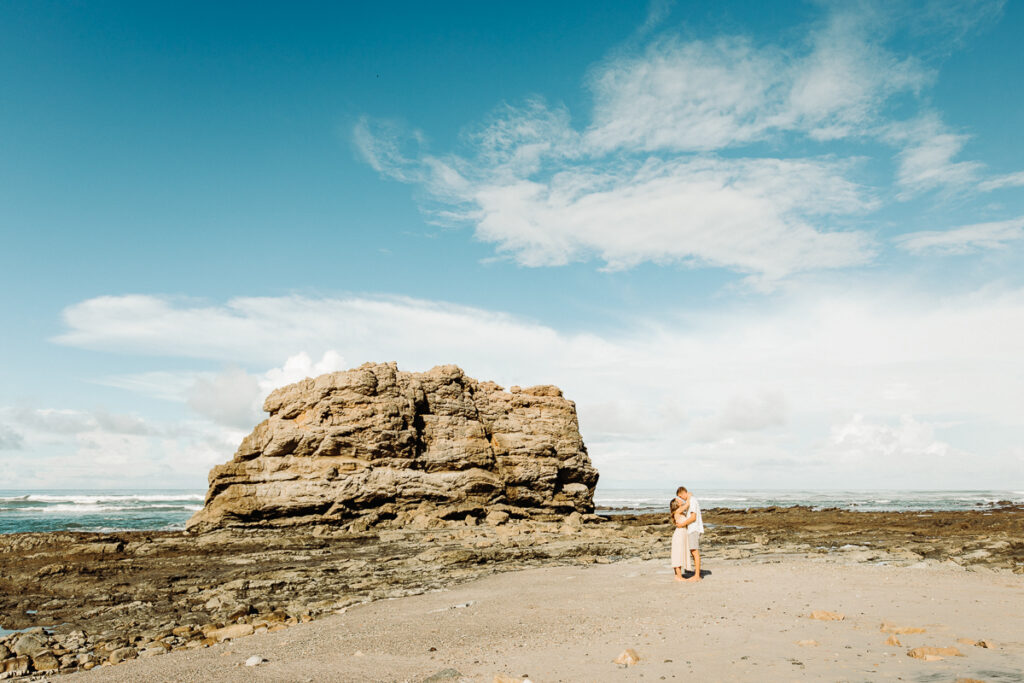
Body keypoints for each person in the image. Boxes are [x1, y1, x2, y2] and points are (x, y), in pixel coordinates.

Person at [676, 486, 704, 582]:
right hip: (692, 529)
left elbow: (693, 517)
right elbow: (686, 506)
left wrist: (681, 525)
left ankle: (697, 576)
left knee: (694, 552)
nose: (681, 498)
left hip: (693, 529)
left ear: (684, 493)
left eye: (681, 496)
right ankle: (697, 574)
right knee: (693, 551)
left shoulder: (692, 500)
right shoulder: (690, 500)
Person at [670, 495, 691, 581]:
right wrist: (689, 496)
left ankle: (677, 576)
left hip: (682, 534)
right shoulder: (678, 511)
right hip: (679, 534)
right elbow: (688, 504)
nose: (680, 499)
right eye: (678, 500)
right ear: (677, 504)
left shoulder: (680, 512)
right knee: (678, 555)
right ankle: (679, 576)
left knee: (678, 554)